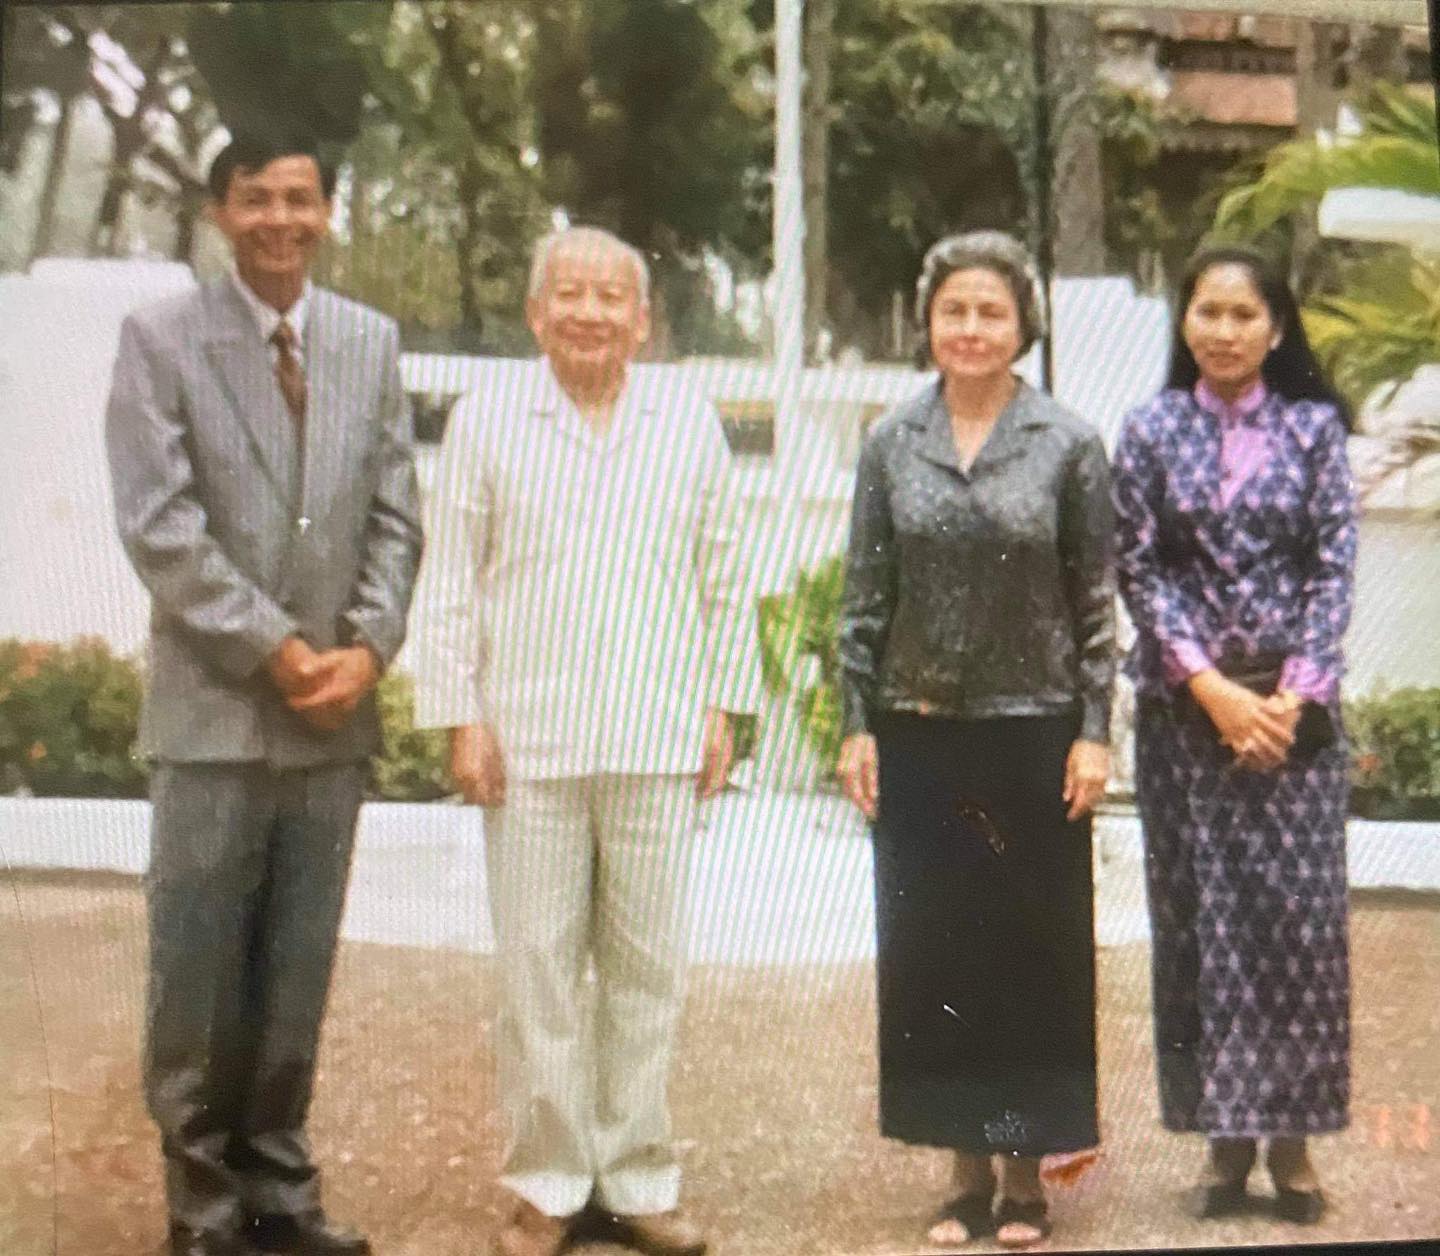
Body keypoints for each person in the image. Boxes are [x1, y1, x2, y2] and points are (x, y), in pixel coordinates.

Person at [411, 226, 763, 1256]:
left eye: (612, 297)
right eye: (569, 293)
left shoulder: (685, 420)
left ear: (643, 320)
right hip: (529, 740)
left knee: (649, 974)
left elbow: (724, 572)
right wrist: (461, 714)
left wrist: (721, 704)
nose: (590, 313)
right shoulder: (486, 418)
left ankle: (640, 1176)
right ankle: (550, 1180)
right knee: (540, 972)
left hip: (656, 731)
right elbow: (450, 578)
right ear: (536, 312)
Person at [104, 133, 424, 1256]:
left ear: (329, 211)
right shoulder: (160, 340)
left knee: (294, 974)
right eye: (255, 199)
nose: (279, 219)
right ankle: (202, 1209)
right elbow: (161, 526)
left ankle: (281, 1197)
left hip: (332, 724)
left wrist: (368, 649)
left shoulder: (368, 343)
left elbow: (396, 517)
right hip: (216, 718)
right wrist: (278, 649)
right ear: (219, 212)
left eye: (300, 198)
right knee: (197, 979)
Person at [836, 231, 1115, 1250]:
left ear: (1021, 323)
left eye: (990, 310)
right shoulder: (889, 442)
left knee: (1028, 955)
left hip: (1033, 731)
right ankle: (961, 1172)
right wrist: (855, 723)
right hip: (919, 730)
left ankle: (1022, 1173)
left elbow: (1095, 601)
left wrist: (1096, 731)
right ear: (928, 320)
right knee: (938, 954)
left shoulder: (1067, 443)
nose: (970, 327)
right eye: (953, 308)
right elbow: (864, 595)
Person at [1112, 245, 1356, 1224]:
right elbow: (1139, 566)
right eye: (1206, 312)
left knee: (1298, 932)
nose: (1223, 331)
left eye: (1243, 314)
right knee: (1202, 927)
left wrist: (1290, 699)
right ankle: (1223, 1145)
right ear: (1184, 323)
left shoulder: (1313, 431)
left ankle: (1293, 1147)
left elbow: (1332, 567)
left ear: (1277, 328)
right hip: (1188, 717)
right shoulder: (1150, 430)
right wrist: (1211, 689)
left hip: (1294, 723)